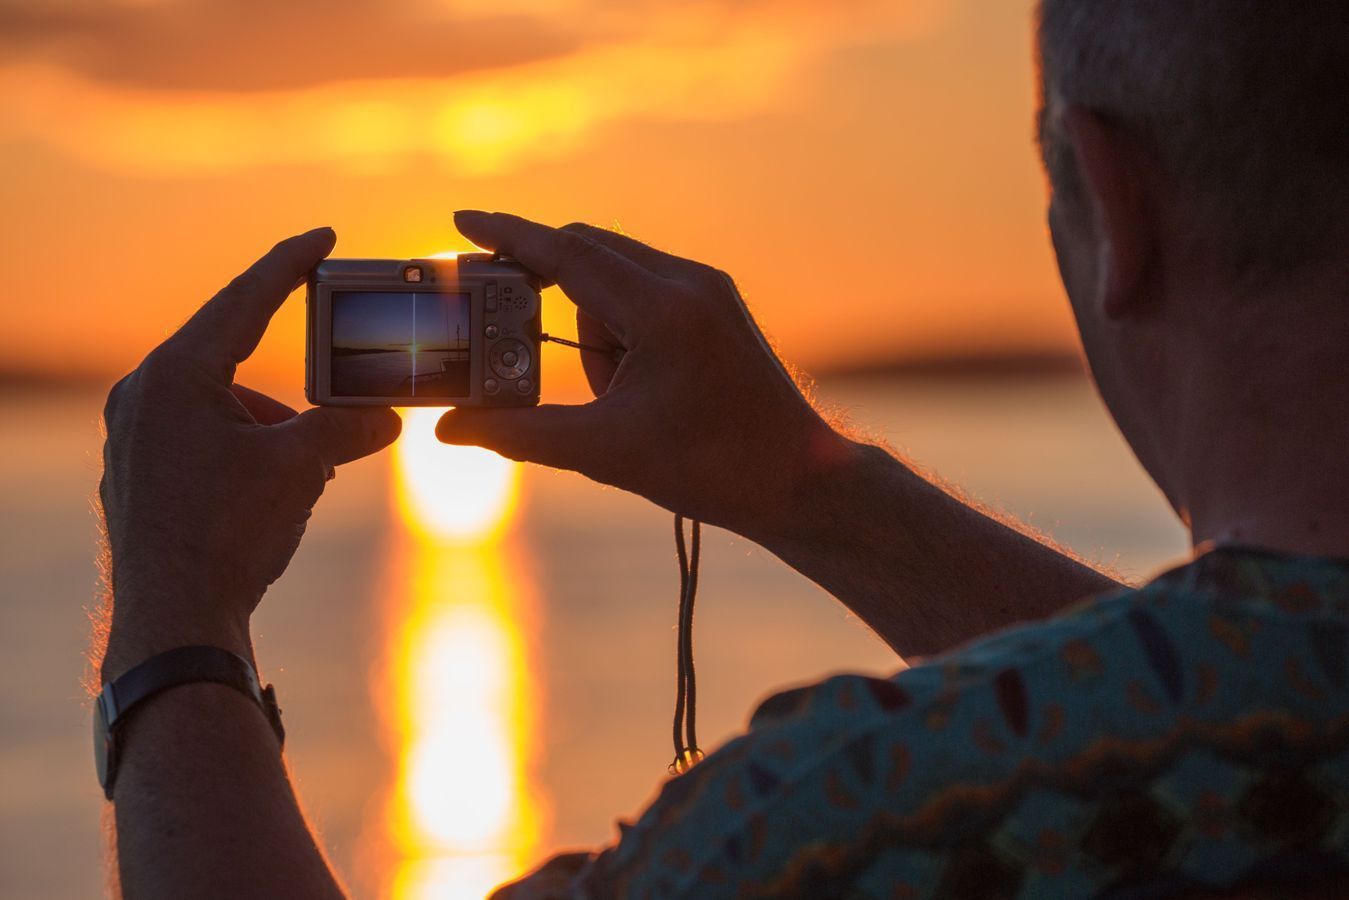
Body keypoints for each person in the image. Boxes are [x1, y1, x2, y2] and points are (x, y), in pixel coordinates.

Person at [94, 1, 1349, 897]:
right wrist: (797, 480)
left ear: (1109, 198)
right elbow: (1241, 681)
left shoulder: (836, 828)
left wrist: (173, 624)